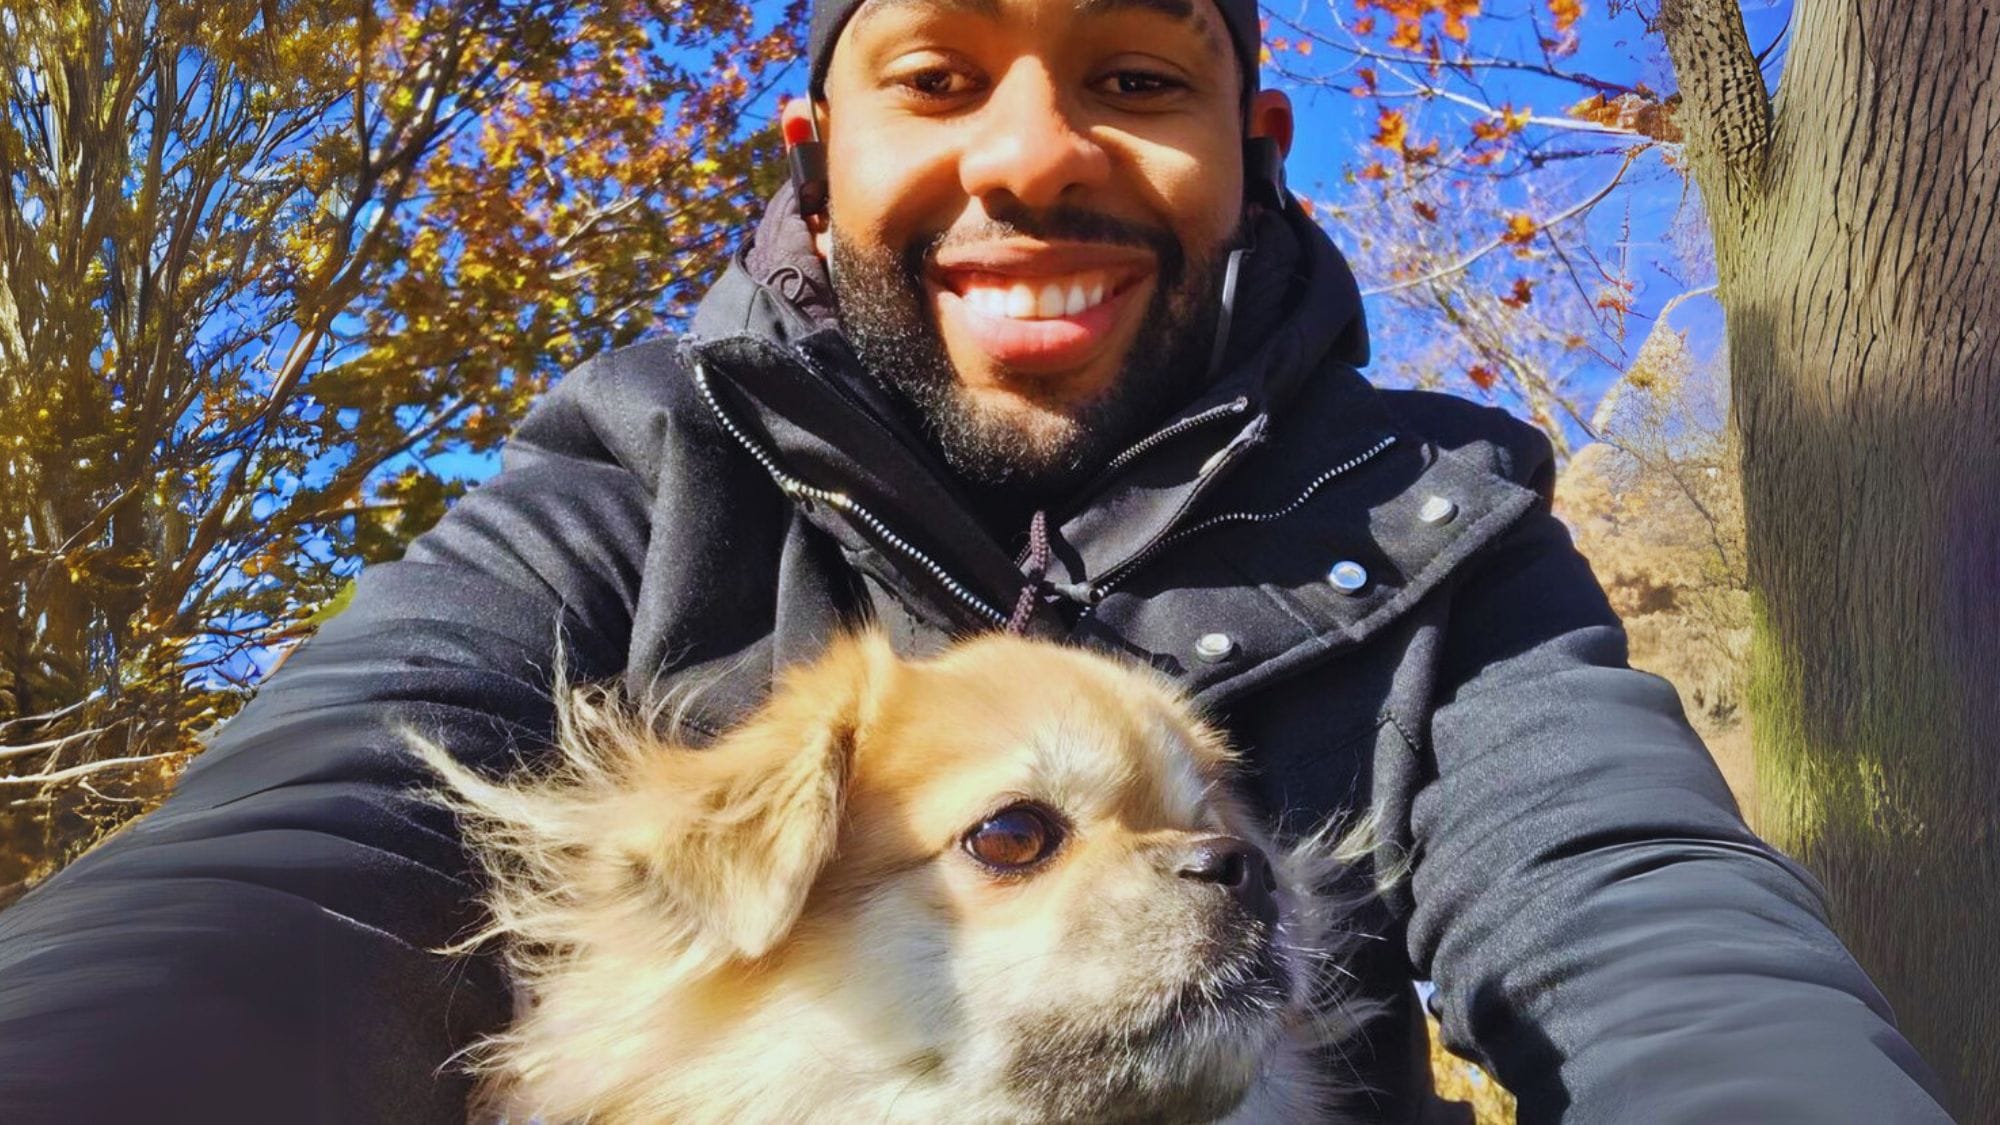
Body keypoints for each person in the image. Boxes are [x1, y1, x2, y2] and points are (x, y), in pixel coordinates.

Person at [0, 0, 1951, 1120]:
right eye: (938, 77)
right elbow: (305, 841)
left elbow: (1646, 919)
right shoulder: (633, 474)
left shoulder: (1440, 522)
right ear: (814, 149)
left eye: (1131, 75)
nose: (1032, 155)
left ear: (1254, 142)